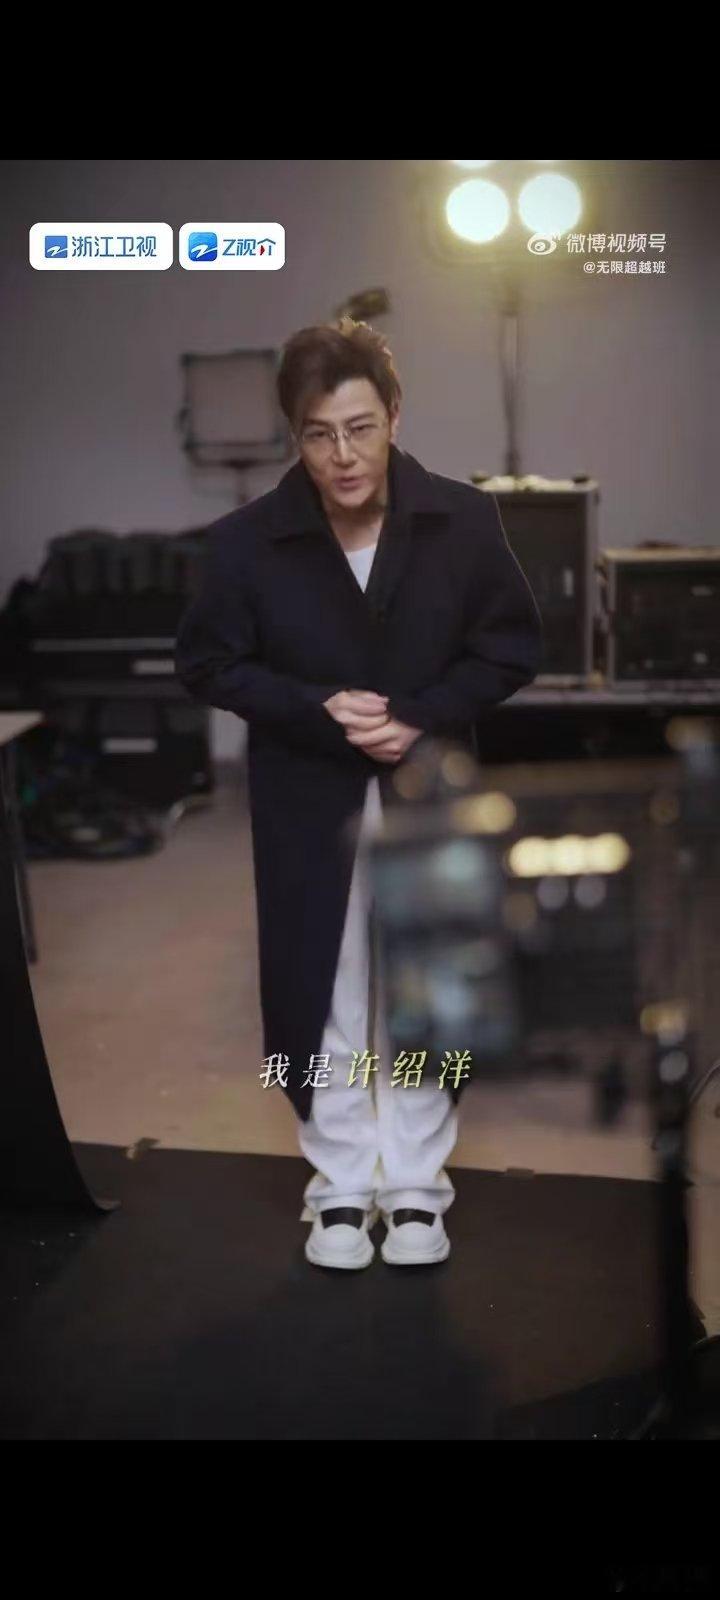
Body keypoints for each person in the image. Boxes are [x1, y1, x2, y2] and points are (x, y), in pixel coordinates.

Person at [174, 317, 543, 1270]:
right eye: (318, 434)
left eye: (360, 428)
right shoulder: (246, 542)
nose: (342, 455)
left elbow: (511, 648)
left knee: (426, 982)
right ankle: (339, 1184)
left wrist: (420, 714)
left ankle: (417, 1185)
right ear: (295, 434)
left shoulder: (462, 519)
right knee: (325, 986)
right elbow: (208, 662)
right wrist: (314, 707)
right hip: (307, 795)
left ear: (394, 416)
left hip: (430, 785)